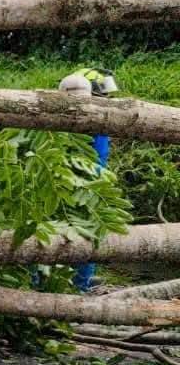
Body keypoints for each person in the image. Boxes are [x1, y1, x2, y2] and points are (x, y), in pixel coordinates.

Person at [59, 68, 117, 291]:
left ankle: (80, 282)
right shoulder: (84, 118)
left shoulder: (101, 118)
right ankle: (76, 284)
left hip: (89, 181)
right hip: (75, 182)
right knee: (81, 232)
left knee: (87, 233)